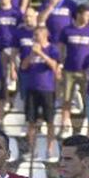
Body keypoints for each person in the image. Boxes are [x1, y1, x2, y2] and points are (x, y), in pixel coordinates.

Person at [21, 25, 61, 160]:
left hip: (47, 89)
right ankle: (32, 149)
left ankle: (50, 149)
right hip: (32, 89)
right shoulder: (30, 50)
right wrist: (32, 54)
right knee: (31, 121)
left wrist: (41, 54)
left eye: (37, 35)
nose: (34, 38)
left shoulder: (52, 49)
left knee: (50, 121)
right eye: (34, 35)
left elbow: (54, 66)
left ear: (45, 35)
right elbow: (23, 66)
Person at [59, 5, 89, 133]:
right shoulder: (67, 30)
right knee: (67, 98)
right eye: (86, 15)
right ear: (79, 15)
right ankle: (65, 124)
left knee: (88, 98)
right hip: (69, 69)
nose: (88, 18)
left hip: (86, 70)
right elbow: (61, 48)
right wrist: (60, 63)